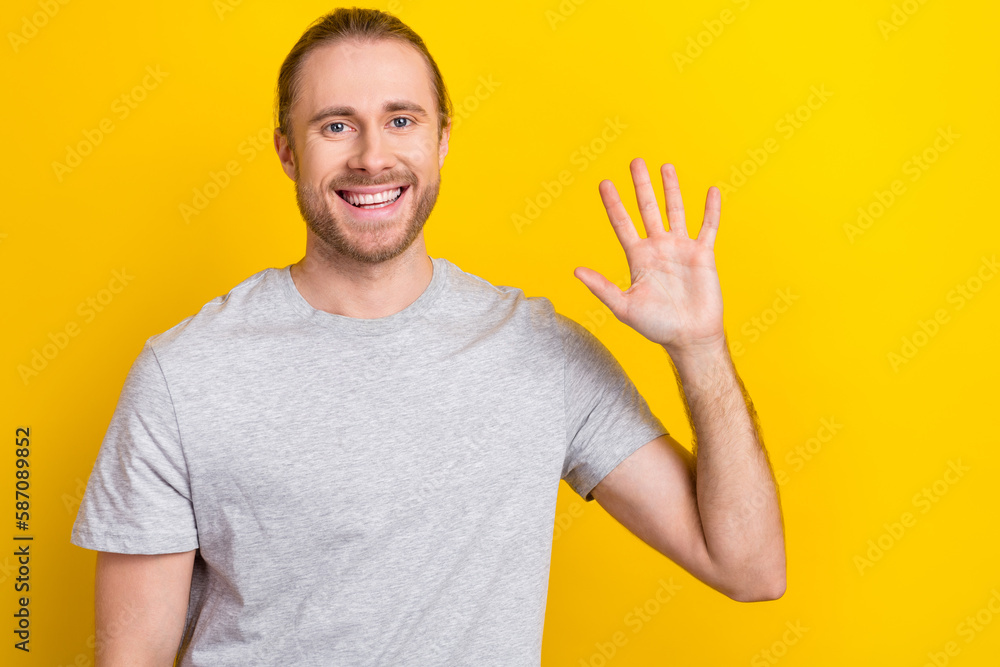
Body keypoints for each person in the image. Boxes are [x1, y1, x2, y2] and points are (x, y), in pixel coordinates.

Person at [70, 7, 786, 666]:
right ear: (288, 152)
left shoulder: (541, 352)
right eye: (336, 125)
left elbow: (749, 566)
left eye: (402, 120)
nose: (373, 156)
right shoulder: (185, 374)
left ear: (443, 139)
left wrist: (700, 350)